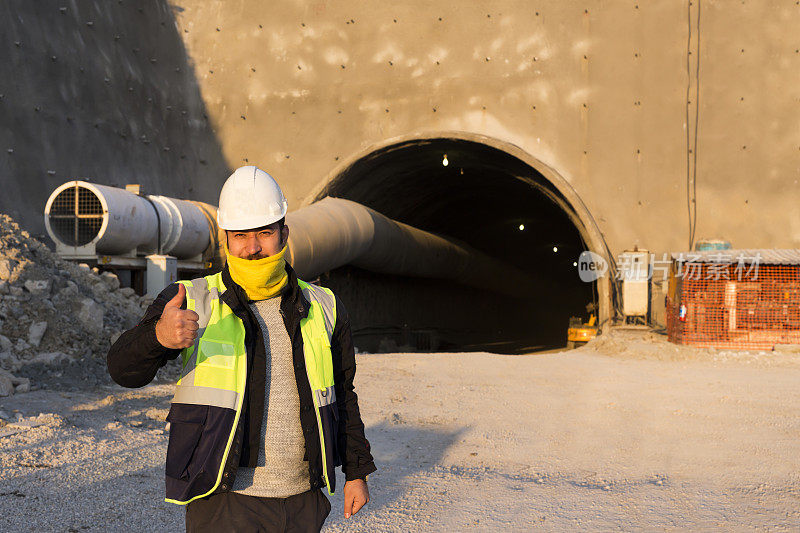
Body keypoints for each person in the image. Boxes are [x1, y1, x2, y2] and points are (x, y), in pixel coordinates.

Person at [107, 166, 376, 532]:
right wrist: (157, 336)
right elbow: (122, 370)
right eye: (240, 236)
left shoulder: (324, 306)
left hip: (303, 501)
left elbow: (343, 394)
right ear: (226, 240)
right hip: (223, 502)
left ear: (284, 233)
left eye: (264, 233)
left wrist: (356, 472)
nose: (252, 248)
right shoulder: (192, 299)